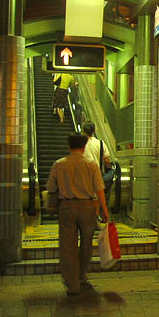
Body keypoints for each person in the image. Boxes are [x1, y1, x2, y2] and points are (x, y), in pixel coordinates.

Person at [46, 134, 109, 295]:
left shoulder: (59, 164)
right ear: (84, 146)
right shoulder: (91, 165)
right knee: (87, 243)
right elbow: (99, 190)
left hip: (67, 207)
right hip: (88, 207)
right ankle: (82, 276)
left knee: (68, 246)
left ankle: (72, 284)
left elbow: (51, 187)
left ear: (69, 146)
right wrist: (104, 210)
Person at [81, 121, 113, 203]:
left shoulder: (79, 144)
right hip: (96, 176)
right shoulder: (101, 143)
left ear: (82, 131)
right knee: (96, 198)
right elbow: (107, 161)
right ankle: (95, 214)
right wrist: (109, 169)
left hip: (81, 176)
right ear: (94, 130)